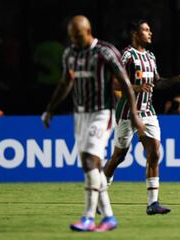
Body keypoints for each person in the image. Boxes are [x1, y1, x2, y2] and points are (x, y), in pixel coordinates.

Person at [41, 15, 144, 232]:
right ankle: (108, 217)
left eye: (78, 36)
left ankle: (88, 217)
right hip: (80, 115)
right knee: (93, 167)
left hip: (102, 113)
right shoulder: (70, 53)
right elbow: (66, 81)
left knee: (89, 161)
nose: (74, 41)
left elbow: (125, 82)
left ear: (88, 32)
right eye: (71, 37)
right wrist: (50, 108)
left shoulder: (105, 52)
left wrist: (133, 113)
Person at [102, 19, 180, 215]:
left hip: (148, 112)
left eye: (150, 29)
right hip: (127, 112)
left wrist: (176, 79)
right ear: (135, 33)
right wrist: (136, 88)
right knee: (118, 156)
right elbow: (114, 84)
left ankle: (153, 204)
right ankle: (100, 195)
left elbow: (157, 83)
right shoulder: (126, 55)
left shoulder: (150, 56)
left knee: (154, 154)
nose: (150, 33)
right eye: (146, 30)